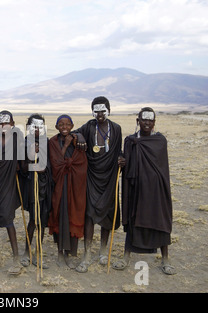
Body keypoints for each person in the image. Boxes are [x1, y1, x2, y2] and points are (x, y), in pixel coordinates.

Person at [113, 107, 176, 275]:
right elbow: (127, 162)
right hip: (136, 189)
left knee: (160, 221)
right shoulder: (130, 140)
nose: (147, 123)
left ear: (154, 122)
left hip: (156, 190)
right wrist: (122, 160)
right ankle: (126, 256)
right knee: (134, 220)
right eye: (144, 119)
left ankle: (165, 259)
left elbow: (161, 167)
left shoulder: (160, 141)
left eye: (150, 120)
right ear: (137, 121)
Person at [72, 96, 123, 273]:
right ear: (92, 111)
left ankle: (102, 251)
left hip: (109, 178)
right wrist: (79, 135)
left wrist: (121, 159)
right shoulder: (88, 127)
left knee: (108, 214)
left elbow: (119, 151)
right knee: (89, 215)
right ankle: (86, 253)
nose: (100, 114)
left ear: (109, 110)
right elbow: (73, 133)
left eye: (103, 110)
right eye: (96, 110)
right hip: (92, 177)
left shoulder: (116, 128)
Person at [0, 110, 24, 275]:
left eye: (7, 122)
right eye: (0, 123)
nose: (3, 126)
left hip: (8, 184)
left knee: (8, 218)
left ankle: (16, 258)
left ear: (12, 123)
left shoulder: (16, 138)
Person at [48, 114, 88, 268]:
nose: (64, 127)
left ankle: (70, 255)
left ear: (72, 126)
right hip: (59, 187)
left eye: (67, 124)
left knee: (74, 216)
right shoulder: (53, 142)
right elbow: (56, 164)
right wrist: (65, 146)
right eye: (61, 124)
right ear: (57, 127)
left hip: (75, 186)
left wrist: (75, 140)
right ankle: (59, 253)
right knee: (59, 216)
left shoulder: (79, 141)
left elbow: (82, 163)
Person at [18, 114, 52, 269]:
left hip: (45, 186)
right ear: (28, 127)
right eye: (34, 126)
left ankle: (38, 252)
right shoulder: (24, 143)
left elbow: (48, 166)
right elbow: (22, 168)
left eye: (40, 126)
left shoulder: (47, 142)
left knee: (43, 221)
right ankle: (26, 252)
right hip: (32, 187)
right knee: (33, 220)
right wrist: (32, 158)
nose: (37, 129)